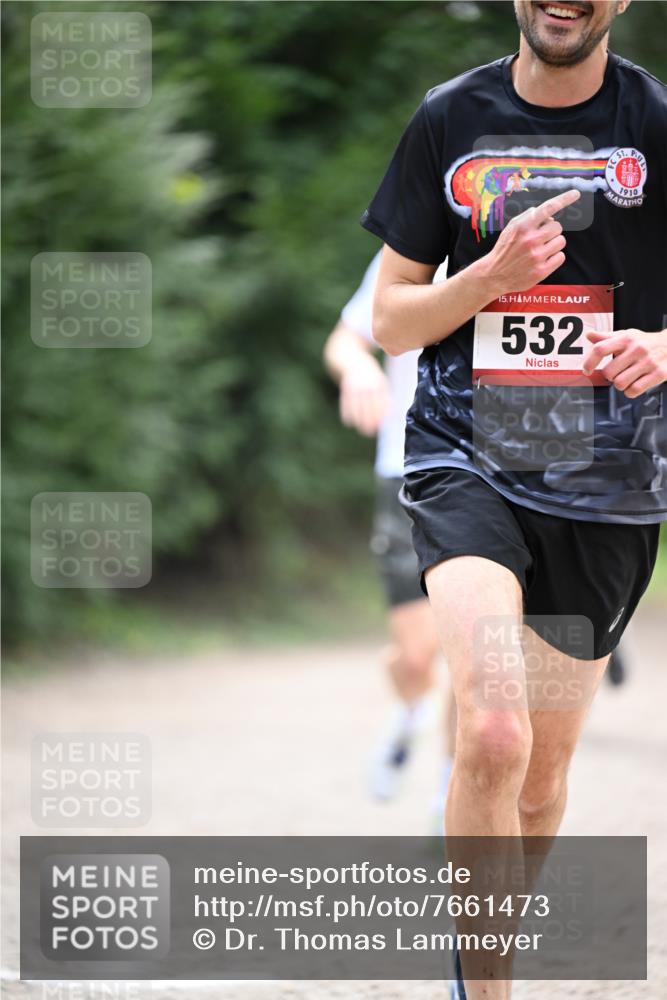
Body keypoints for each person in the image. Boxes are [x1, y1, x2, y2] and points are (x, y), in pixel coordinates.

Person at [361, 2, 666, 997]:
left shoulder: (655, 125)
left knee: (538, 782)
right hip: (468, 453)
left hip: (609, 481)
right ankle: (482, 991)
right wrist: (485, 277)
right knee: (493, 731)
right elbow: (391, 316)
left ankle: (482, 953)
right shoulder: (450, 119)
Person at [324, 252, 456, 812]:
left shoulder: (543, 244)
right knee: (417, 656)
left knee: (481, 656)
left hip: (503, 472)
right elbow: (345, 338)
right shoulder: (414, 244)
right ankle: (410, 713)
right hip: (408, 467)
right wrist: (358, 367)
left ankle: (454, 791)